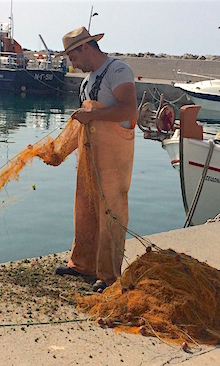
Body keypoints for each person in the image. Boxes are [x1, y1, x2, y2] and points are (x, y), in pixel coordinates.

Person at [53, 26, 138, 292]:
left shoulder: (117, 70)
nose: (73, 63)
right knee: (85, 206)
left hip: (114, 153)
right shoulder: (87, 82)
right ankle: (83, 265)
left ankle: (109, 274)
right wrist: (59, 152)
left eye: (73, 57)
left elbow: (129, 108)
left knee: (111, 210)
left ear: (86, 47)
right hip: (89, 153)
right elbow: (82, 122)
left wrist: (93, 116)